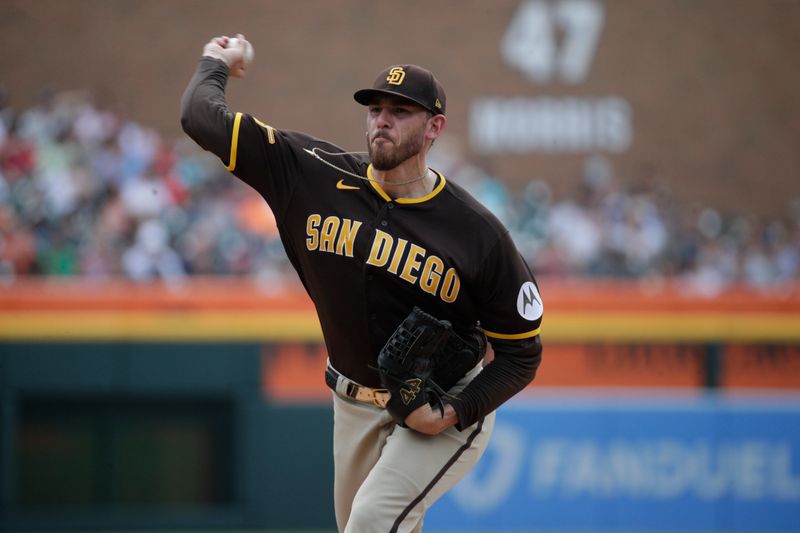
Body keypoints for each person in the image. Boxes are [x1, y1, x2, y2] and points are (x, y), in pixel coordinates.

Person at [181, 34, 544, 533]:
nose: (383, 120)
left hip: (436, 401)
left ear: (434, 127)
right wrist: (215, 62)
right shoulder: (310, 174)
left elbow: (522, 353)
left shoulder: (476, 232)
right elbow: (201, 118)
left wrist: (456, 411)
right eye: (375, 108)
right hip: (351, 400)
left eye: (401, 110)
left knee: (371, 523)